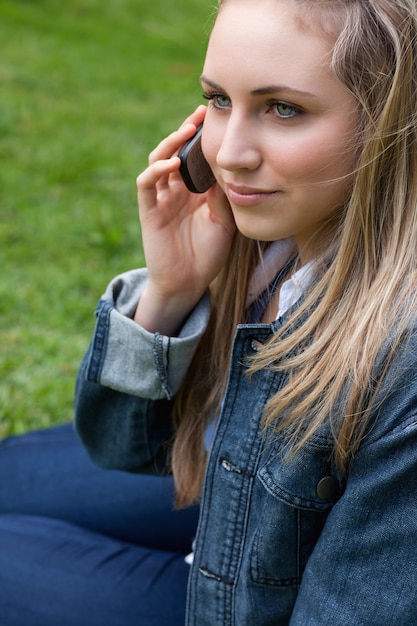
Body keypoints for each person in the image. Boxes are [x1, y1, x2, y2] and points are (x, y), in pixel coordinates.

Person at [2, 0, 417, 624]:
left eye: (284, 109)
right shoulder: (274, 243)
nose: (228, 154)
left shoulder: (401, 356)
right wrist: (171, 293)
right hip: (222, 504)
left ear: (392, 122)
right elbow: (121, 446)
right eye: (219, 101)